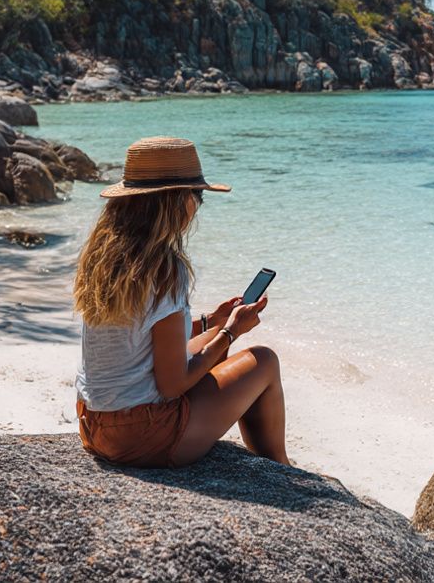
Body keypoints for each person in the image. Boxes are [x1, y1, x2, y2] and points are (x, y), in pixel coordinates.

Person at [73, 136, 289, 468]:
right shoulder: (165, 268)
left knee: (207, 340)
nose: (199, 204)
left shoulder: (103, 256)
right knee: (263, 360)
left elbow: (140, 337)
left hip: (94, 425)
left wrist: (212, 323)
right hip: (143, 436)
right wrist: (231, 332)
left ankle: (273, 467)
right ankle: (280, 469)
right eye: (197, 195)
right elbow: (172, 385)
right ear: (175, 201)